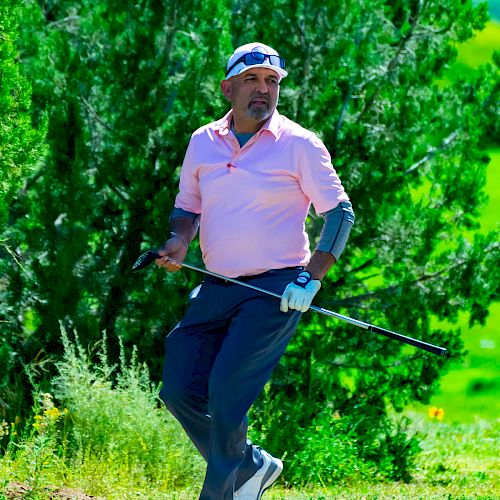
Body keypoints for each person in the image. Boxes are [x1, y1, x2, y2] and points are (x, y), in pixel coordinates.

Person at [156, 42, 355, 500]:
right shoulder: (202, 141)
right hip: (216, 284)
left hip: (276, 290)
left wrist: (312, 278)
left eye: (272, 81)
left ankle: (221, 493)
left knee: (227, 395)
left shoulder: (301, 145)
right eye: (251, 80)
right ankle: (250, 465)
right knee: (179, 387)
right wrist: (178, 241)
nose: (263, 90)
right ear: (228, 88)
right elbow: (187, 205)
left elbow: (340, 213)